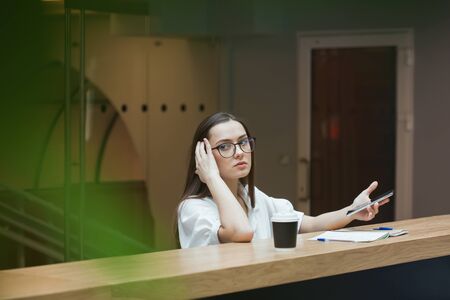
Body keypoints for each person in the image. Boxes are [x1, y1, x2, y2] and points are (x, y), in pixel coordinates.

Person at [177, 112, 389, 248]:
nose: (239, 152)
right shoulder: (193, 208)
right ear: (203, 156)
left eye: (243, 142)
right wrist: (211, 176)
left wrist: (353, 210)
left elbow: (312, 224)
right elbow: (240, 232)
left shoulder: (252, 196)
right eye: (224, 146)